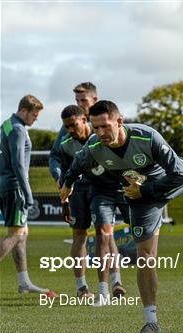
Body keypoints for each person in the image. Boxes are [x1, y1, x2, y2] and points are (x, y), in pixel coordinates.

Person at [60, 100, 183, 333]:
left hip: (166, 182)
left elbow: (177, 176)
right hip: (140, 199)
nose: (100, 133)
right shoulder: (94, 146)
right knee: (146, 257)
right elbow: (78, 164)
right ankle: (151, 322)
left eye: (105, 127)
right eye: (95, 127)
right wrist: (66, 185)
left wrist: (145, 190)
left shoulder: (147, 137)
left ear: (119, 122)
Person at [50, 83, 127, 302]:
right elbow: (55, 155)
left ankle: (116, 281)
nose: (80, 105)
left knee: (106, 231)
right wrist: (60, 178)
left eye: (83, 101)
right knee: (79, 235)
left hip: (101, 186)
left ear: (94, 100)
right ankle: (82, 286)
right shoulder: (67, 131)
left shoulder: (106, 122)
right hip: (78, 188)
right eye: (77, 101)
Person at [0, 95, 56, 297]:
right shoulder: (17, 129)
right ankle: (24, 282)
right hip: (14, 187)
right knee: (15, 234)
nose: (36, 119)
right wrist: (27, 192)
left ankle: (24, 282)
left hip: (4, 183)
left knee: (22, 233)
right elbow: (18, 164)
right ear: (24, 110)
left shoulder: (6, 124)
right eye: (34, 114)